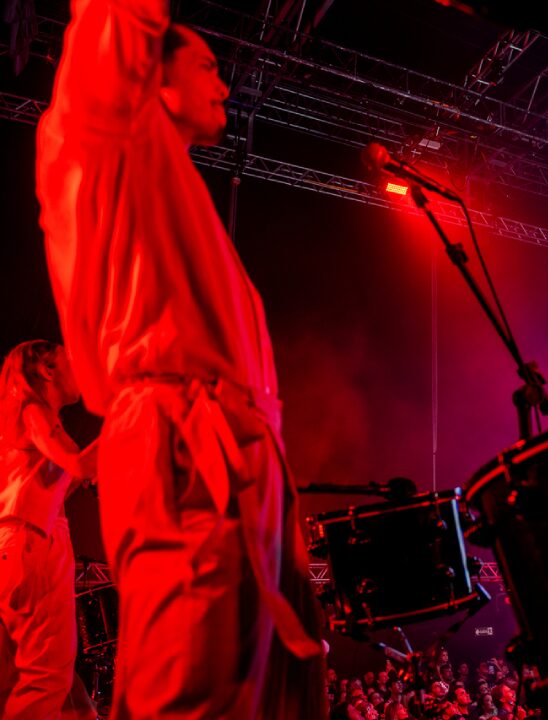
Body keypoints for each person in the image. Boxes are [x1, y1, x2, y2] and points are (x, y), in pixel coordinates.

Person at [36, 4, 326, 717]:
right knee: (188, 695)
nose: (226, 87)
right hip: (186, 459)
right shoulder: (108, 131)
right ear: (145, 74)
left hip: (227, 463)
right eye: (206, 66)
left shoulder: (167, 183)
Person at [0, 341, 96, 719]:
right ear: (46, 370)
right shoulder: (35, 410)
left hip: (15, 545)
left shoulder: (19, 419)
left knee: (59, 691)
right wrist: (130, 416)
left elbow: (49, 482)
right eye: (70, 359)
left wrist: (83, 472)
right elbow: (77, 463)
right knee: (46, 681)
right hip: (34, 544)